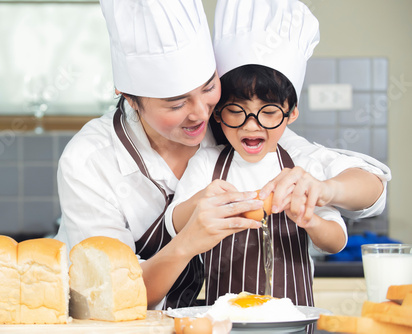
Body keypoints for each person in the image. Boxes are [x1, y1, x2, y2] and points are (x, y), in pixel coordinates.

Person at [56, 0, 390, 311]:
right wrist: (186, 242)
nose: (201, 114)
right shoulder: (90, 161)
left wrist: (326, 190)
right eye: (176, 104)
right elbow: (108, 298)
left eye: (208, 88)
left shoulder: (238, 125)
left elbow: (370, 186)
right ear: (130, 98)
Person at [165, 0, 391, 316]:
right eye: (235, 111)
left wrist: (311, 219)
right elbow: (175, 224)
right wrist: (203, 202)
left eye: (269, 112)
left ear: (291, 113)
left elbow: (336, 241)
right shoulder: (207, 164)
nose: (251, 125)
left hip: (293, 322)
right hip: (226, 320)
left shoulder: (303, 170)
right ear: (217, 113)